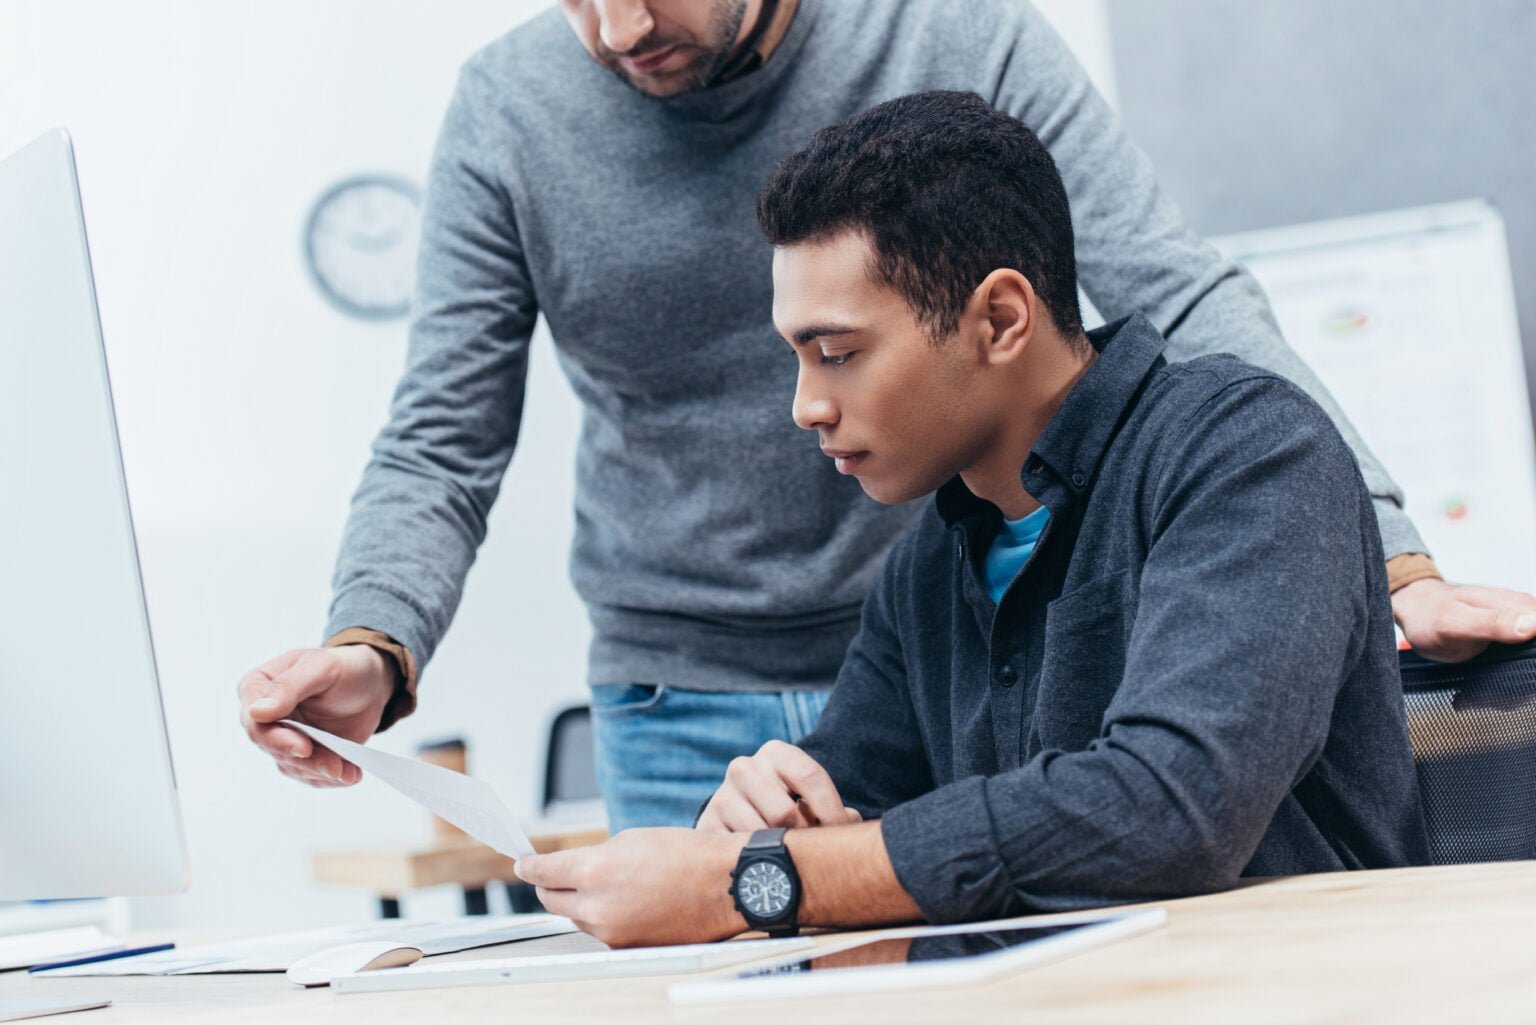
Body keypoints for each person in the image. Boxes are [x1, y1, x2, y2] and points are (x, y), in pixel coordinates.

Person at [236, 0, 1536, 828]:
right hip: (678, 691)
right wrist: (376, 640)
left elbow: (1174, 290)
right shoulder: (509, 111)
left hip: (959, 665)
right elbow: (441, 431)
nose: (622, 28)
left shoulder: (960, 34)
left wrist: (1385, 548)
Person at [510, 90, 1429, 947]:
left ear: (998, 318)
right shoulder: (925, 569)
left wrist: (751, 883)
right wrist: (763, 822)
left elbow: (1169, 809)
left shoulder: (1246, 455)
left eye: (836, 353)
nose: (806, 406)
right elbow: (838, 817)